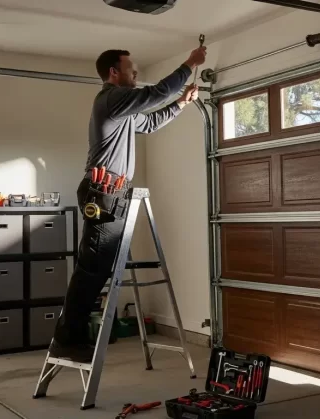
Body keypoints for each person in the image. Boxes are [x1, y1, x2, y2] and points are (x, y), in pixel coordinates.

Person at [49, 45, 208, 362]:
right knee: (92, 271)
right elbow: (157, 93)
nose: (136, 74)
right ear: (113, 72)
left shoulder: (121, 110)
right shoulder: (111, 99)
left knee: (97, 269)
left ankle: (71, 336)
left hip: (112, 194)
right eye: (131, 69)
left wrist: (180, 103)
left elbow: (148, 123)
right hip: (104, 194)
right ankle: (68, 339)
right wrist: (189, 62)